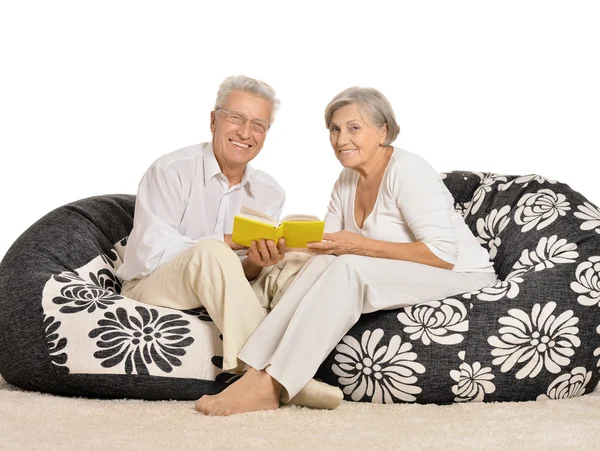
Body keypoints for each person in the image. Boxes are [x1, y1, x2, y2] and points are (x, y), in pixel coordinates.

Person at [195, 86, 498, 416]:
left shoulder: (407, 170)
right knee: (319, 267)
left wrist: (357, 246)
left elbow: (442, 255)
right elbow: (326, 250)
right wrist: (284, 245)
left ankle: (272, 385)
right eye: (335, 129)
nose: (341, 140)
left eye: (354, 128)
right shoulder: (346, 179)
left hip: (461, 276)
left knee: (348, 268)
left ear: (383, 131)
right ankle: (253, 372)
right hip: (404, 273)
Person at [116, 75, 342, 408]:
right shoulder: (171, 171)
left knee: (300, 258)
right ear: (213, 120)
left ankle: (301, 360)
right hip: (150, 285)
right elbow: (151, 252)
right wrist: (227, 241)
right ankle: (274, 376)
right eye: (235, 118)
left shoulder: (270, 190)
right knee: (212, 251)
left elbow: (241, 274)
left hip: (221, 289)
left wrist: (256, 262)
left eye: (258, 125)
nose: (245, 133)